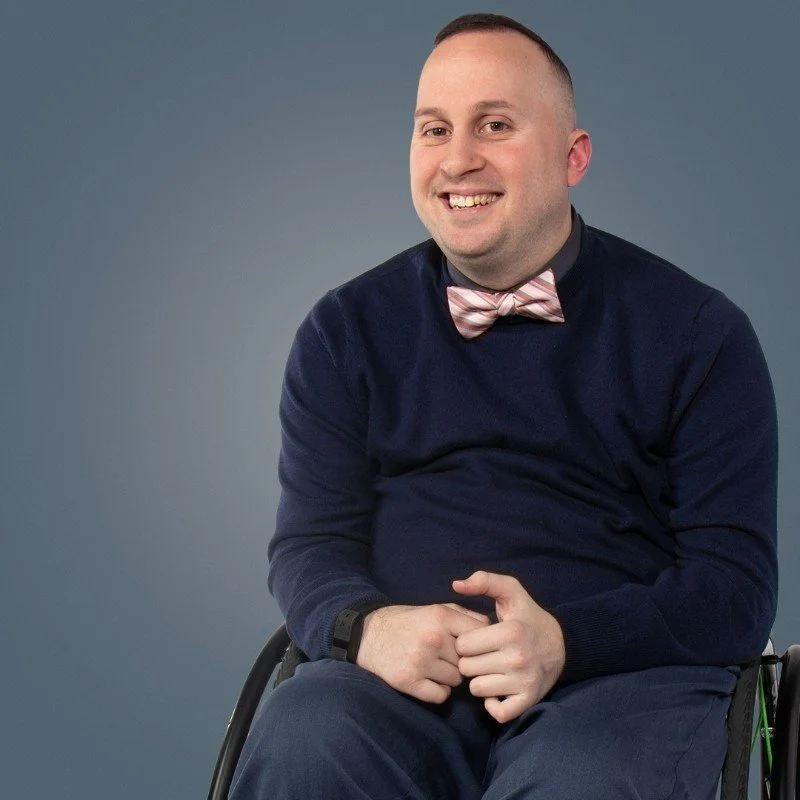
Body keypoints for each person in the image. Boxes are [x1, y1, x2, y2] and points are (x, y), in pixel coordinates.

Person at [231, 12, 778, 800]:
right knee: (304, 740)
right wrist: (369, 627)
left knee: (587, 783)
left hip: (623, 684)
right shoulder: (343, 330)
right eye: (433, 129)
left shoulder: (700, 333)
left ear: (573, 156)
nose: (458, 159)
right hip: (402, 680)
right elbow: (308, 547)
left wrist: (567, 641)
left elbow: (735, 587)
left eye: (494, 125)